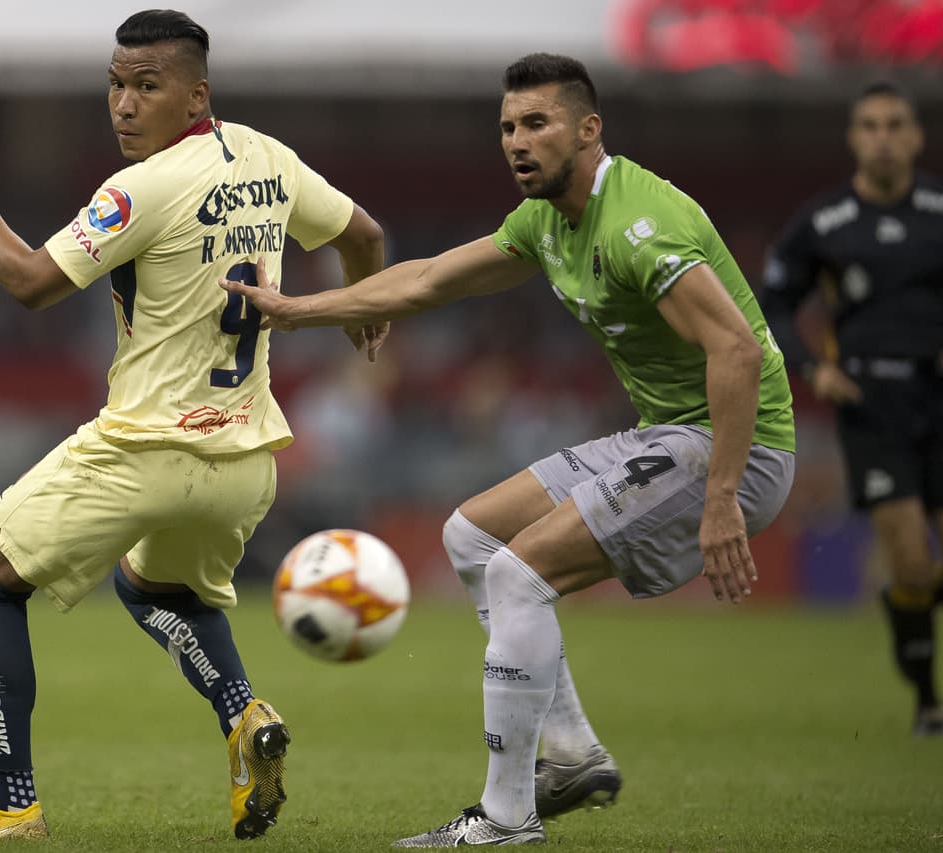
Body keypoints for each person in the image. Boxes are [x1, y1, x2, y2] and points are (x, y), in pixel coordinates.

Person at [221, 53, 796, 846]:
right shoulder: (546, 220)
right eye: (507, 127)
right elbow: (428, 280)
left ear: (588, 130)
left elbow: (734, 351)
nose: (517, 141)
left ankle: (506, 816)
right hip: (670, 433)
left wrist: (724, 495)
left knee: (516, 576)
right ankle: (568, 753)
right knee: (473, 533)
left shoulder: (641, 222)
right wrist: (296, 309)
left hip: (734, 443)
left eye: (537, 123)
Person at [0, 9, 386, 841]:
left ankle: (11, 804)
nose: (124, 106)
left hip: (144, 447)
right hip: (246, 459)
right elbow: (364, 234)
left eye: (146, 86)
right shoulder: (266, 156)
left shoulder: (139, 188)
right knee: (151, 587)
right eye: (115, 86)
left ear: (194, 94)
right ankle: (245, 718)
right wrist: (360, 308)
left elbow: (29, 282)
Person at [761, 81, 943, 737]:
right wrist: (813, 368)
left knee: (920, 577)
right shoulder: (824, 222)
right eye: (870, 125)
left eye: (896, 124)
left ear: (917, 136)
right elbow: (774, 301)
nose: (884, 137)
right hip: (873, 405)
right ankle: (928, 700)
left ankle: (911, 622)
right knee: (912, 563)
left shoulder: (938, 210)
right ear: (854, 138)